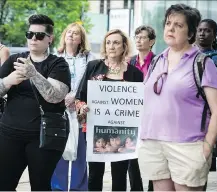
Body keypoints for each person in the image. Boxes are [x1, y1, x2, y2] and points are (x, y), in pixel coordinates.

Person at [138, 4, 217, 191]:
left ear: (191, 33)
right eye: (168, 23)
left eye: (178, 25)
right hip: (153, 143)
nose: (170, 28)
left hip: (188, 146)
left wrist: (207, 148)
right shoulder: (156, 61)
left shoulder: (202, 63)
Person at [0, 14, 71, 191]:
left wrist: (33, 74)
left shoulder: (58, 64)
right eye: (29, 34)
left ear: (50, 39)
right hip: (9, 133)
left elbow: (55, 96)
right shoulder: (14, 60)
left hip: (44, 136)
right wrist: (8, 81)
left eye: (39, 35)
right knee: (4, 184)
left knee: (40, 185)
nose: (33, 39)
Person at [75, 29, 143, 191]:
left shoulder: (135, 73)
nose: (112, 46)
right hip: (95, 129)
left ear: (124, 46)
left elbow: (141, 103)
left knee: (120, 174)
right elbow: (80, 97)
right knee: (95, 173)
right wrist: (82, 107)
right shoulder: (93, 66)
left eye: (116, 42)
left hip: (124, 130)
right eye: (108, 42)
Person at [51, 22, 95, 191]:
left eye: (75, 33)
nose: (71, 35)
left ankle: (78, 188)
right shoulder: (55, 56)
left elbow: (93, 81)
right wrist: (62, 98)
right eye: (68, 32)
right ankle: (58, 188)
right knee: (59, 152)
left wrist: (76, 98)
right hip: (59, 110)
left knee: (80, 154)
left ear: (80, 39)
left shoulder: (89, 58)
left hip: (81, 111)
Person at [196, 19, 217, 191]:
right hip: (197, 114)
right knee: (200, 159)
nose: (202, 33)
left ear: (214, 34)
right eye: (199, 30)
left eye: (207, 31)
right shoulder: (189, 55)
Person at [129, 25, 156, 192]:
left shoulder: (158, 61)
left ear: (151, 41)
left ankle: (153, 187)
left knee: (153, 153)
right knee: (131, 152)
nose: (138, 40)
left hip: (152, 113)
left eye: (143, 37)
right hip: (132, 112)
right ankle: (136, 188)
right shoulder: (130, 61)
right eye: (136, 37)